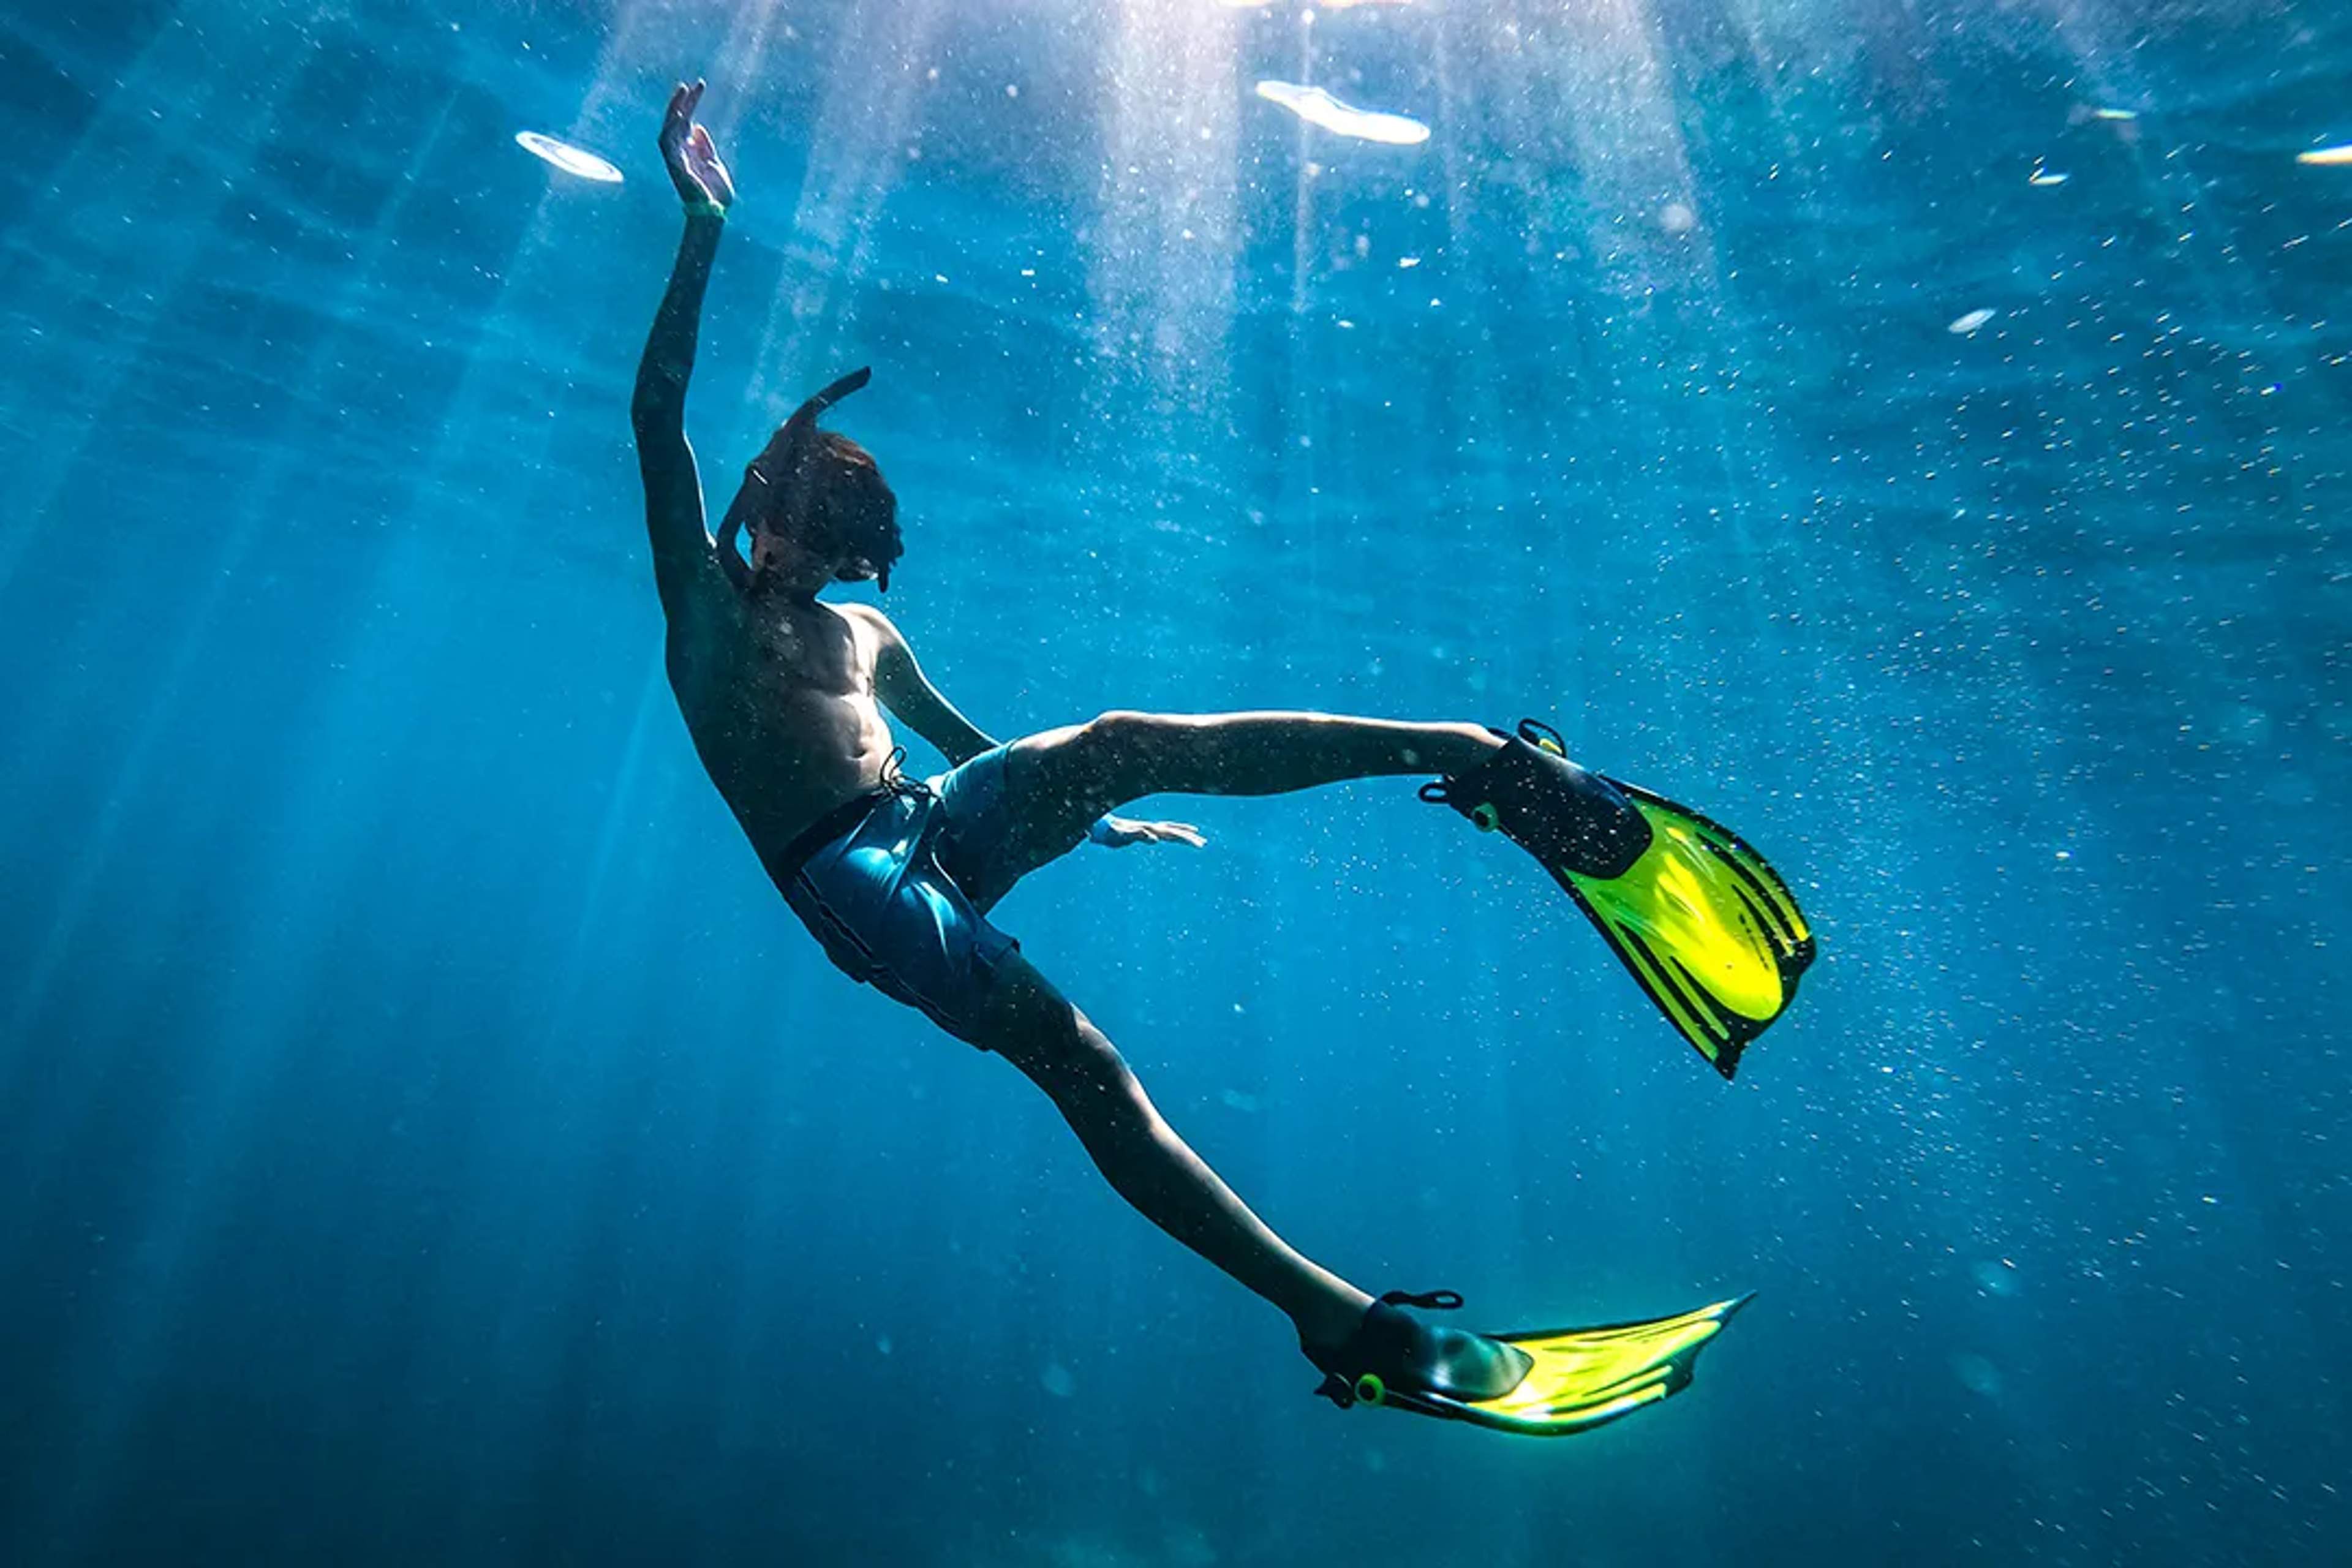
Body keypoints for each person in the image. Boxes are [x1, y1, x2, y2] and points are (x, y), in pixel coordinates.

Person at [629, 82, 1814, 1436]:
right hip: (852, 881)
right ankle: (1342, 1320)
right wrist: (703, 228)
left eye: (840, 560)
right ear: (763, 511)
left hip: (928, 814)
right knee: (1079, 1059)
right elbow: (658, 414)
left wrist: (1091, 811)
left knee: (1123, 740)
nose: (811, 571)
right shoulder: (703, 609)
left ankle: (1483, 761)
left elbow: (961, 743)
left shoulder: (864, 631)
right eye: (803, 543)